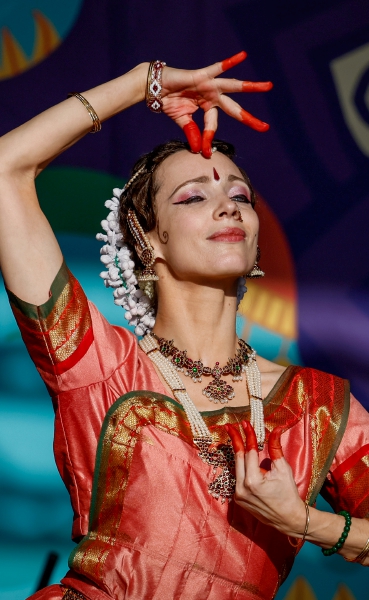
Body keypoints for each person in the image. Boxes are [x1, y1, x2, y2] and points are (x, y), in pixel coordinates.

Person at [1, 53, 369, 600]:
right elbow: (6, 168)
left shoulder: (319, 405)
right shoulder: (97, 364)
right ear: (149, 242)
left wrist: (305, 522)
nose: (228, 208)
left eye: (239, 196)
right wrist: (139, 84)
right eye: (194, 197)